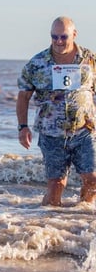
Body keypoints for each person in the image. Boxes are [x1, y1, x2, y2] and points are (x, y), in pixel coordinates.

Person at [17, 16, 96, 206]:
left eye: (63, 36)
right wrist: (23, 127)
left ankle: (79, 219)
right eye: (54, 37)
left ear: (74, 34)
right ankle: (47, 223)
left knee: (93, 180)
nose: (58, 41)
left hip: (84, 131)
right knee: (55, 186)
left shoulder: (90, 60)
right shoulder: (37, 63)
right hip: (51, 133)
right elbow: (23, 97)